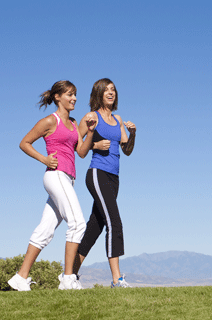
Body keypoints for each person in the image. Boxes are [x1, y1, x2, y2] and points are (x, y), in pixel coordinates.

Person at [8, 80, 96, 291]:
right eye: (69, 94)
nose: (74, 98)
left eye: (75, 94)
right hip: (55, 175)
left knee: (45, 230)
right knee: (77, 223)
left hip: (68, 179)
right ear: (58, 97)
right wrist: (44, 159)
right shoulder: (49, 121)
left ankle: (20, 277)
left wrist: (91, 132)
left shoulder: (74, 124)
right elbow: (24, 143)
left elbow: (81, 153)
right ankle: (68, 278)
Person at [72, 78, 136, 288]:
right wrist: (95, 144)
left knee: (95, 227)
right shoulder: (92, 117)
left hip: (114, 178)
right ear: (98, 93)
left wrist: (133, 133)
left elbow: (127, 151)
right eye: (106, 90)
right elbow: (79, 149)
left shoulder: (118, 119)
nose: (111, 93)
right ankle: (117, 279)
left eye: (113, 90)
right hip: (97, 174)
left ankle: (70, 274)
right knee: (114, 222)